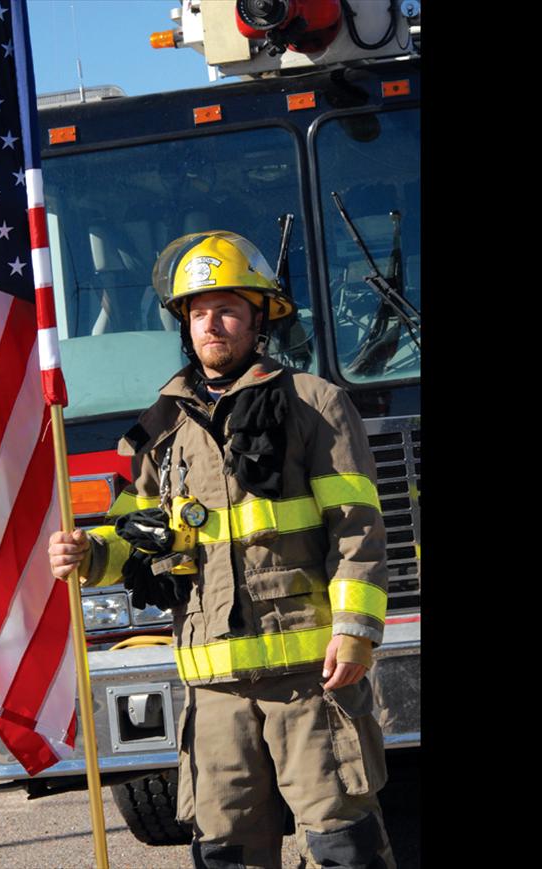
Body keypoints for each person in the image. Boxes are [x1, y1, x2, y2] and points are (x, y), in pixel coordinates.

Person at [49, 231, 395, 869]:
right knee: (227, 850)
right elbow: (133, 536)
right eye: (199, 310)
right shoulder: (161, 427)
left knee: (342, 843)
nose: (213, 322)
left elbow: (357, 528)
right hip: (213, 691)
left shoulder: (314, 403)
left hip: (309, 679)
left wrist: (354, 630)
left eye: (229, 308)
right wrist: (88, 553)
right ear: (185, 323)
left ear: (260, 318)